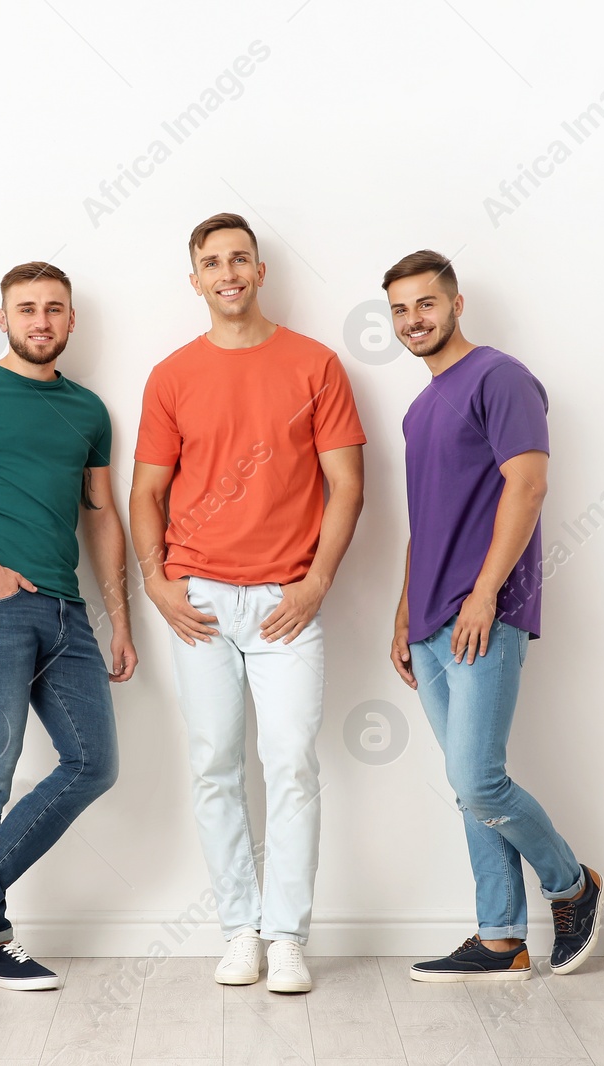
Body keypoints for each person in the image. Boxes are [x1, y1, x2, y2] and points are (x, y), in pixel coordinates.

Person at [129, 213, 365, 993]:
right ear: (193, 279)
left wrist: (318, 580)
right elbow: (146, 492)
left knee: (291, 763)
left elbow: (347, 484)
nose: (226, 272)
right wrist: (157, 582)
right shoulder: (171, 375)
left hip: (283, 605)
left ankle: (287, 934)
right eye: (210, 262)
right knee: (214, 766)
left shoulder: (316, 364)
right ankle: (240, 929)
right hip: (196, 601)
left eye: (239, 259)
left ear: (260, 271)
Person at [0, 261, 137, 994]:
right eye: (27, 308)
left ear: (71, 322)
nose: (42, 320)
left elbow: (101, 515)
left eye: (55, 309)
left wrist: (118, 618)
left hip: (68, 612)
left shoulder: (89, 410)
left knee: (93, 764)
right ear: (3, 319)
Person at [382, 249, 601, 982]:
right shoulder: (418, 408)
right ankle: (501, 936)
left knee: (480, 780)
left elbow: (529, 486)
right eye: (400, 310)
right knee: (467, 785)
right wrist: (402, 612)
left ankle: (572, 886)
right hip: (431, 621)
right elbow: (426, 522)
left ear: (455, 303)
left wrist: (484, 594)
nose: (414, 319)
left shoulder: (500, 377)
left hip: (486, 612)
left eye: (426, 304)